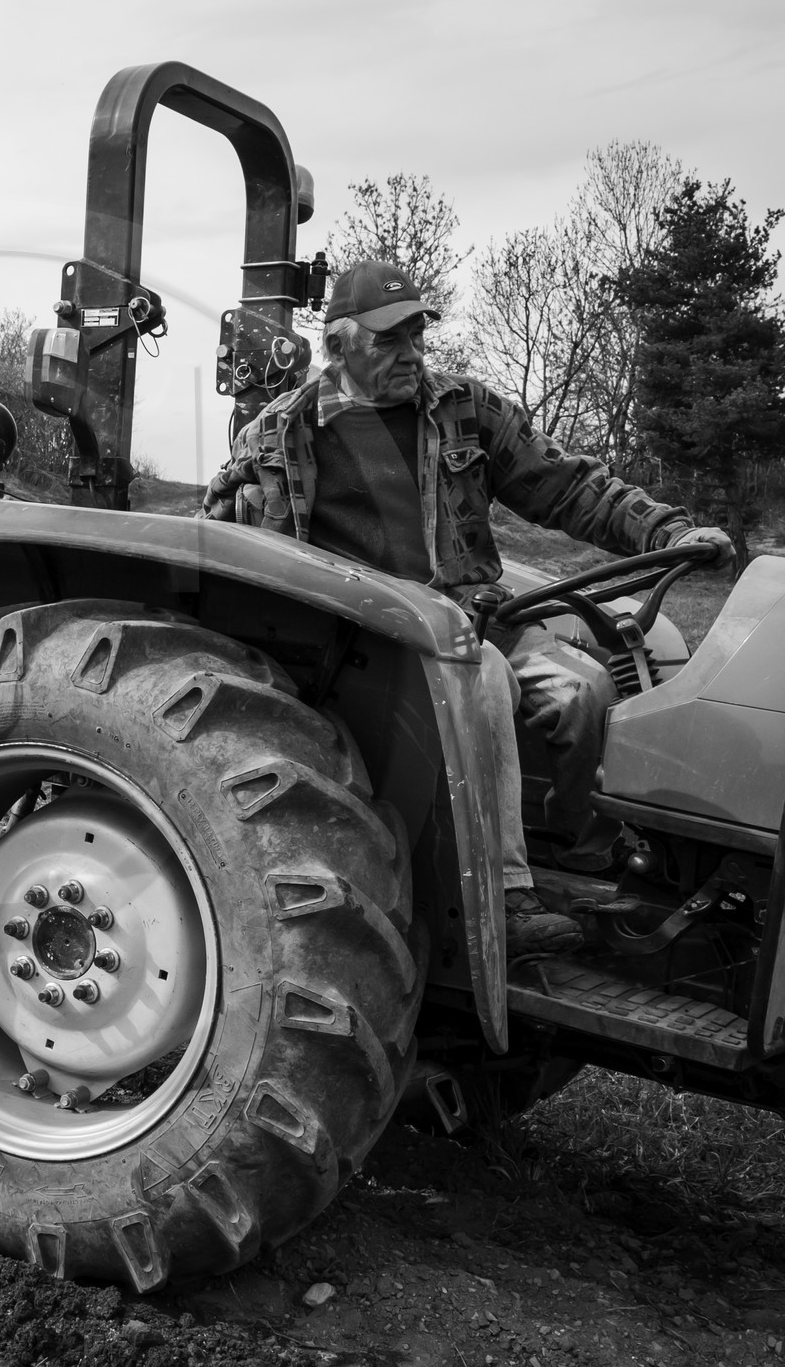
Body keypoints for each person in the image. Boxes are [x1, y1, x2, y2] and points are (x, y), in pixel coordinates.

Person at [201, 259, 734, 955]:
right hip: (377, 642)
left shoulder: (463, 410)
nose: (412, 353)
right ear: (339, 345)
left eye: (418, 335)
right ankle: (505, 899)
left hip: (475, 616)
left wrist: (667, 532)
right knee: (481, 685)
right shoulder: (279, 436)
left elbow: (571, 487)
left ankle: (579, 857)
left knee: (587, 689)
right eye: (390, 340)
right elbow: (234, 549)